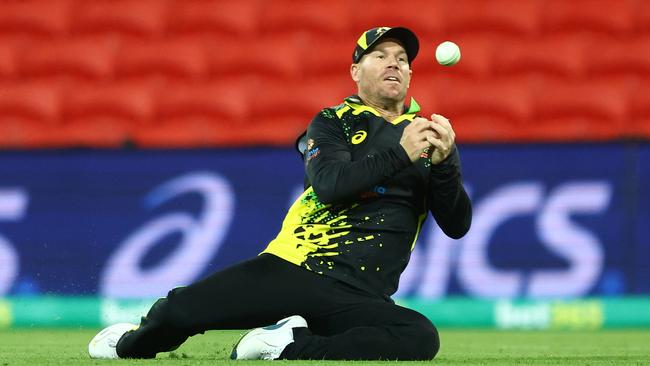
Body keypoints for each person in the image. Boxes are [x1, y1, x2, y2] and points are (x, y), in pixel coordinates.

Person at [88, 26, 472, 361]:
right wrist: (400, 153)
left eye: (402, 58)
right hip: (297, 269)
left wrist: (445, 164)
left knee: (419, 336)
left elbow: (456, 225)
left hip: (360, 294)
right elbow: (331, 185)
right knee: (179, 313)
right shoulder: (333, 121)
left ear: (410, 73)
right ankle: (127, 345)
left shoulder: (426, 138)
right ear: (356, 71)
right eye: (380, 55)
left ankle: (286, 346)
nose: (394, 63)